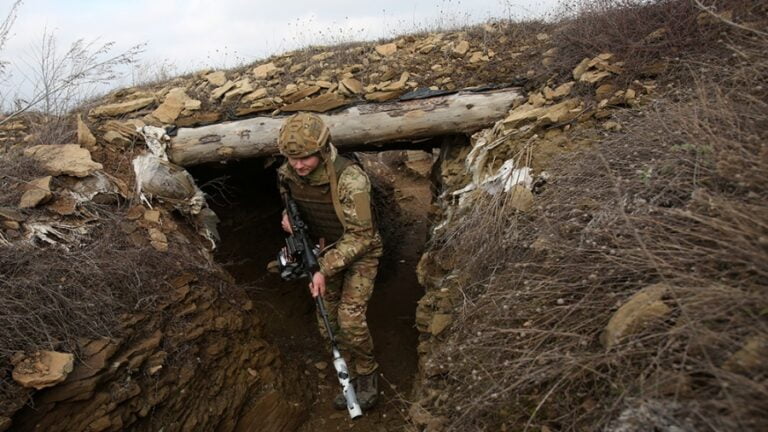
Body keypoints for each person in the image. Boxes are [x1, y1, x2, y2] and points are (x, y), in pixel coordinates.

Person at [276, 112, 383, 410]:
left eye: (305, 158)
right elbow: (290, 204)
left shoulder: (351, 179)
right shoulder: (287, 173)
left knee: (350, 321)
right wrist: (287, 218)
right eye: (292, 158)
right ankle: (345, 369)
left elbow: (361, 237)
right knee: (327, 323)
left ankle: (366, 374)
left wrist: (320, 269)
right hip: (324, 249)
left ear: (323, 150)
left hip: (361, 251)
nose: (298, 165)